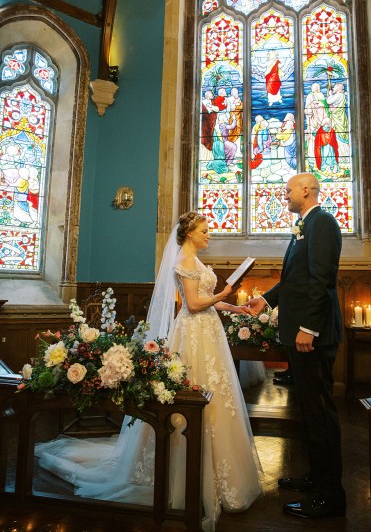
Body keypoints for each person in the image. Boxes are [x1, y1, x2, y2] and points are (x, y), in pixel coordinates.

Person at [35, 211, 263, 531]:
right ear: (189, 233)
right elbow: (194, 304)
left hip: (209, 333)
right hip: (193, 334)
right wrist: (224, 294)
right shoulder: (183, 260)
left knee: (220, 398)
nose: (209, 234)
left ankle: (223, 473)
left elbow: (208, 301)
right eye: (205, 230)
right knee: (191, 394)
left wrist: (233, 306)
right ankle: (182, 473)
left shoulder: (196, 260)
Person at [245, 173, 346, 519]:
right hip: (303, 333)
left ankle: (330, 497)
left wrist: (308, 328)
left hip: (311, 337)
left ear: (306, 191)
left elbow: (322, 279)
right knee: (308, 410)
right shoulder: (305, 225)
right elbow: (295, 279)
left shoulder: (323, 223)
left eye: (288, 190)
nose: (283, 195)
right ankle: (316, 477)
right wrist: (267, 300)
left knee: (320, 412)